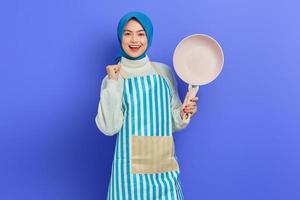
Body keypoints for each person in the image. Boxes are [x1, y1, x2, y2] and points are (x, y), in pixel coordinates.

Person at [95, 11, 198, 200]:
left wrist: (183, 112)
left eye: (141, 33)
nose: (134, 40)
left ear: (148, 37)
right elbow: (109, 128)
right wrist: (112, 82)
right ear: (120, 37)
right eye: (128, 33)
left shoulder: (163, 72)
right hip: (129, 176)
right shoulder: (113, 78)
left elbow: (173, 122)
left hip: (164, 170)